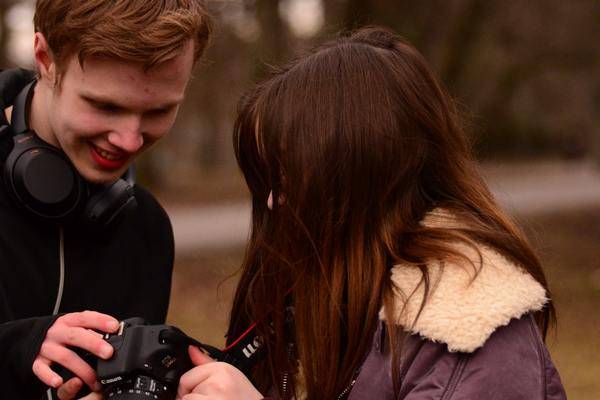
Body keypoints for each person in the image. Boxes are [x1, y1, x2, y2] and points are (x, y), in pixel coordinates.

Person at [176, 27, 567, 399]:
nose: (273, 201)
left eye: (290, 174)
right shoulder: (342, 290)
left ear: (364, 169)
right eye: (269, 179)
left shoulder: (471, 333)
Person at [0, 1, 212, 399]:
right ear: (46, 59)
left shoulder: (146, 228)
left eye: (159, 110)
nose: (130, 140)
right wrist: (19, 350)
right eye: (105, 106)